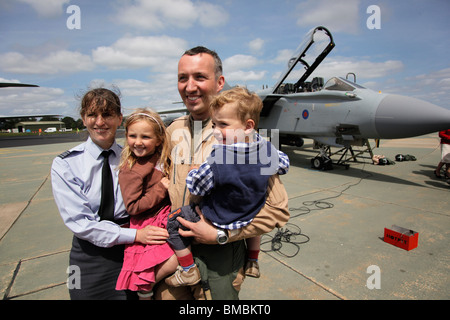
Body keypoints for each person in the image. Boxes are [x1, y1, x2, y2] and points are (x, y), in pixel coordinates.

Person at [154, 46, 290, 300]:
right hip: (177, 254)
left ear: (219, 82)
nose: (190, 86)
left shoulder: (245, 140)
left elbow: (278, 211)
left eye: (200, 77)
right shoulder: (173, 130)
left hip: (220, 258)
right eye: (183, 78)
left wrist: (220, 235)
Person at [51, 88, 171, 300]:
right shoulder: (66, 164)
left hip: (136, 246)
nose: (99, 122)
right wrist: (137, 235)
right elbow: (80, 224)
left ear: (119, 119)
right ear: (83, 119)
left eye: (107, 114)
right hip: (90, 253)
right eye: (92, 115)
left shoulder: (134, 157)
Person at [115, 109, 178, 300]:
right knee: (174, 259)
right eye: (132, 136)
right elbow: (132, 207)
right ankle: (145, 285)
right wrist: (160, 188)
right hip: (148, 221)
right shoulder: (131, 169)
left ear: (158, 140)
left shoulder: (159, 156)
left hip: (164, 214)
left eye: (145, 136)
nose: (138, 142)